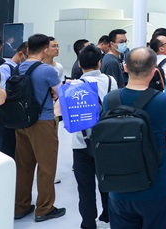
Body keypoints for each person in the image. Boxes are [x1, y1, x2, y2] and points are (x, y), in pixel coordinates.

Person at [103, 47, 166, 229]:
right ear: (154, 71)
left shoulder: (110, 99)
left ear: (125, 68)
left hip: (118, 187)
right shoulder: (163, 101)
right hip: (156, 186)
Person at [54, 44, 117, 229]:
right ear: (100, 63)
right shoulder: (111, 81)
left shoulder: (73, 86)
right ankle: (107, 216)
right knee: (107, 183)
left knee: (85, 188)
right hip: (107, 141)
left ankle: (88, 223)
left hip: (81, 143)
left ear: (80, 64)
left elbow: (58, 112)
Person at [14, 34, 66, 222]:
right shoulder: (47, 70)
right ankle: (44, 208)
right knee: (46, 166)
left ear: (28, 50)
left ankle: (21, 206)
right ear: (45, 50)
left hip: (21, 121)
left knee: (24, 165)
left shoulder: (19, 67)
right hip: (42, 122)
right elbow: (61, 93)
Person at [0, 41, 28, 158]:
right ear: (21, 54)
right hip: (6, 114)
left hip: (17, 115)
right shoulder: (5, 68)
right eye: (28, 57)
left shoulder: (21, 68)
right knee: (5, 148)